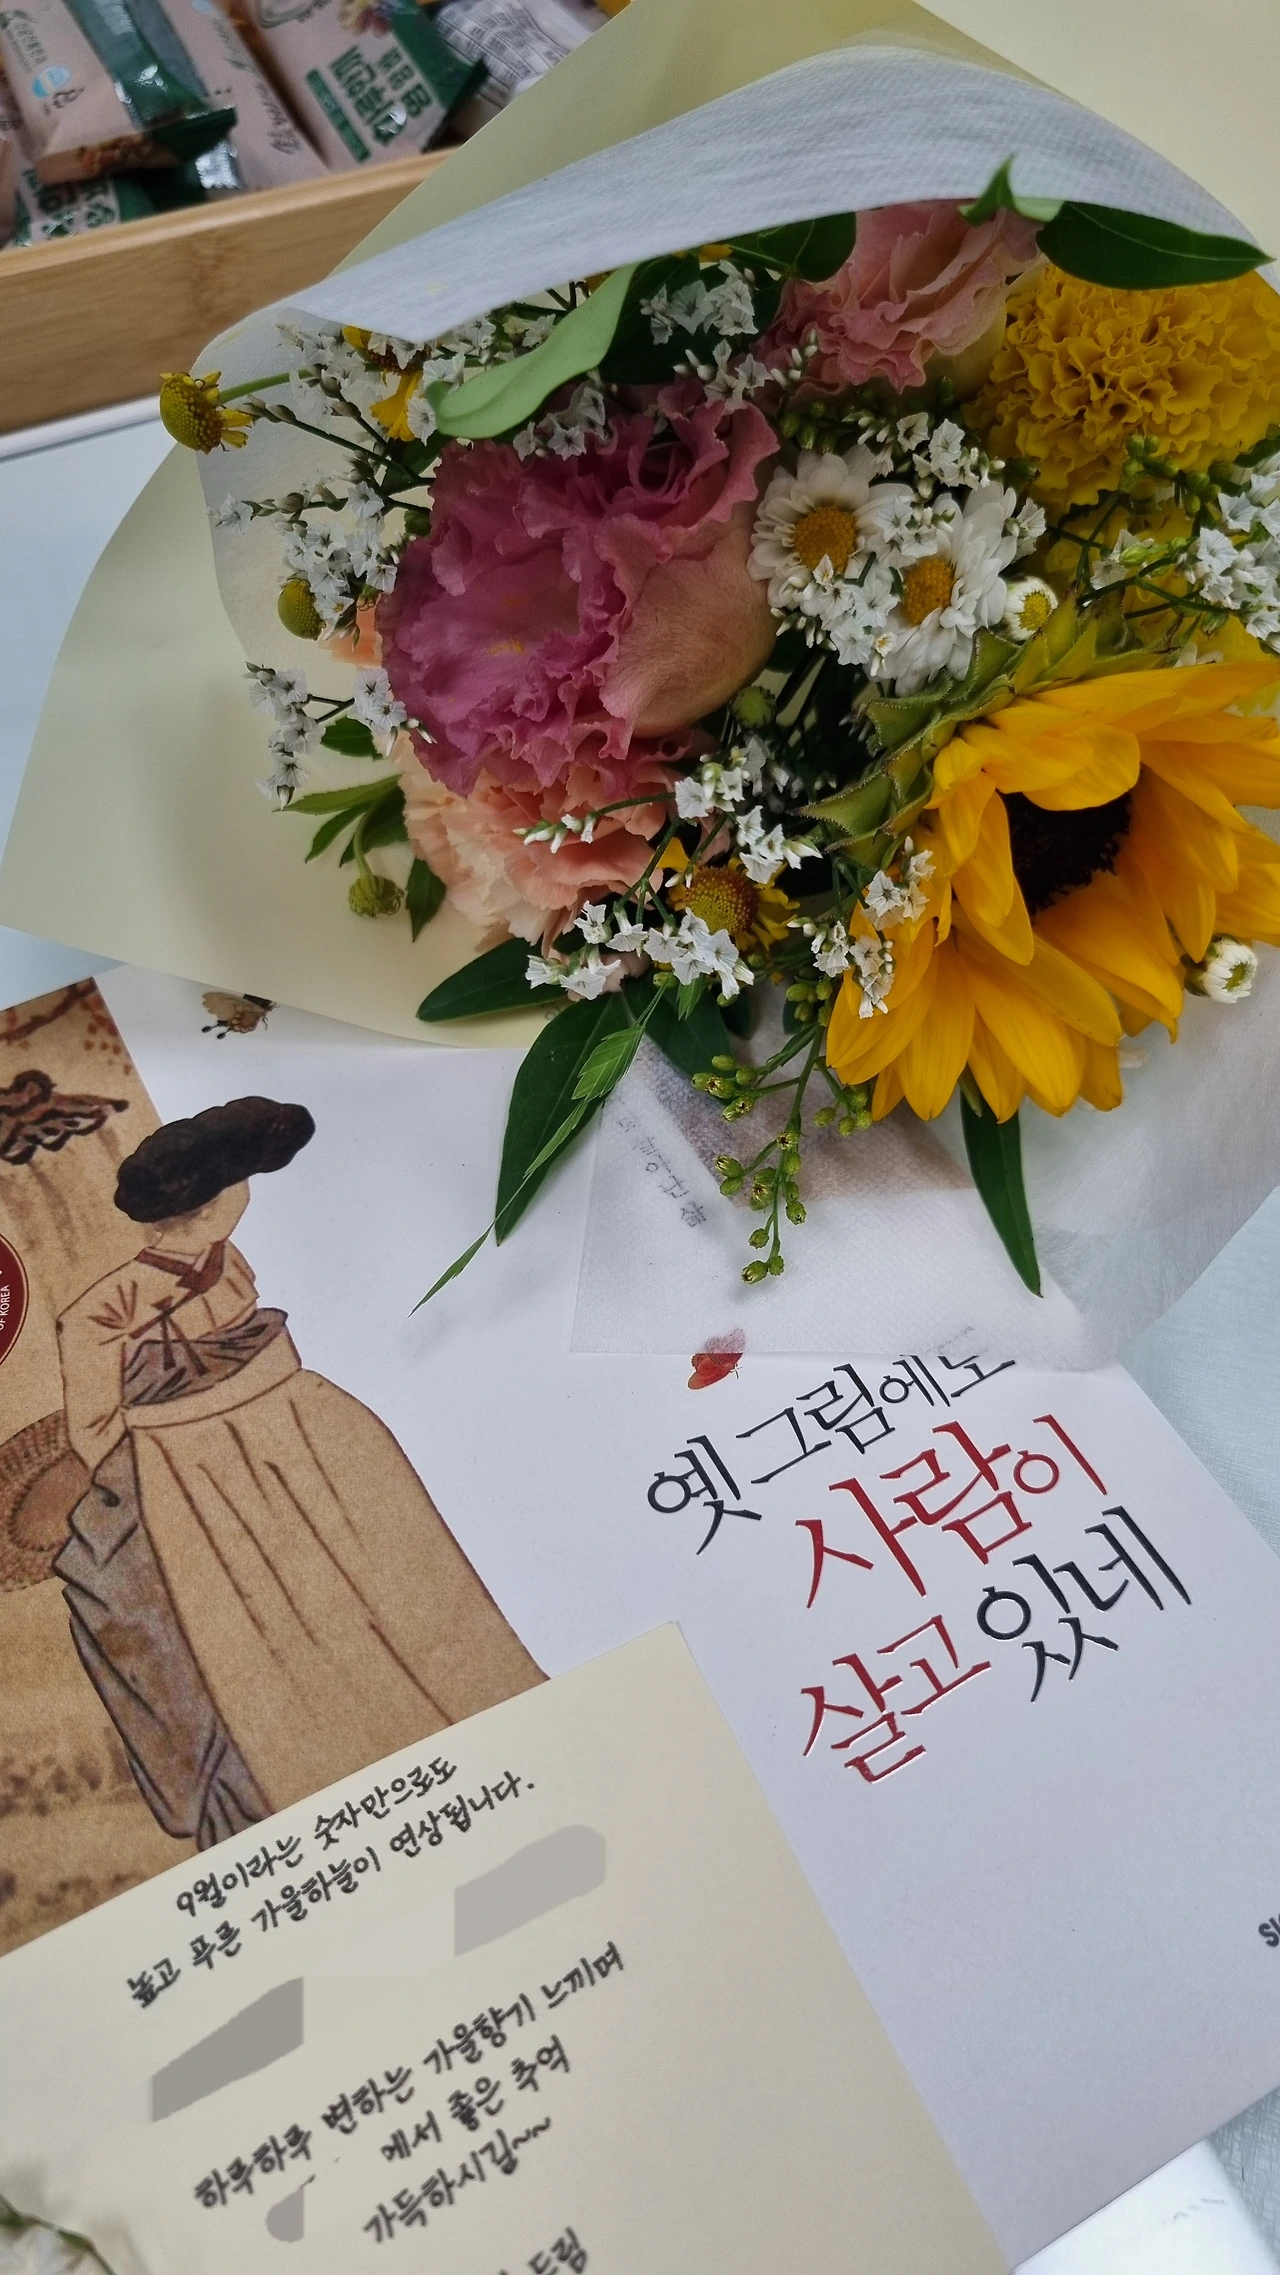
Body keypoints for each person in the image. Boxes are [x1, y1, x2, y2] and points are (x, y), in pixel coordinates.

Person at [54, 1096, 541, 1844]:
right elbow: (94, 1424)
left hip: (297, 1417)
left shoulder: (229, 1261)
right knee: (271, 1618)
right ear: (203, 1206)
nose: (244, 1197)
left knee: (388, 1572)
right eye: (236, 1186)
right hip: (194, 1466)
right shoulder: (103, 1307)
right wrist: (174, 1453)